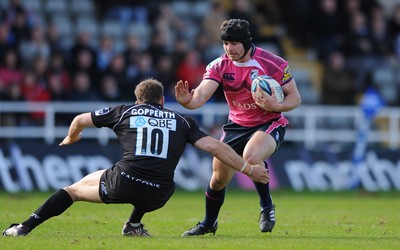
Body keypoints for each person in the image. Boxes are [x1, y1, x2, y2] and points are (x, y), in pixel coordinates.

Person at [2, 78, 269, 237]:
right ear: (162, 101)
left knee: (71, 190)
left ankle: (23, 228)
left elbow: (79, 120)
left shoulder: (124, 111)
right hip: (161, 195)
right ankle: (133, 224)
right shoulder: (183, 121)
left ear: (137, 100)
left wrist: (72, 137)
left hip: (124, 182)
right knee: (151, 174)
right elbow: (215, 147)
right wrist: (247, 169)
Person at [175, 19, 301, 236]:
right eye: (225, 43)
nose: (229, 48)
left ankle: (266, 207)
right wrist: (187, 101)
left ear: (246, 42)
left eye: (234, 43)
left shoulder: (273, 63)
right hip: (236, 127)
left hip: (269, 123)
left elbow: (295, 98)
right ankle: (208, 224)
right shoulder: (219, 65)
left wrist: (277, 105)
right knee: (218, 178)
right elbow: (200, 97)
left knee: (251, 156)